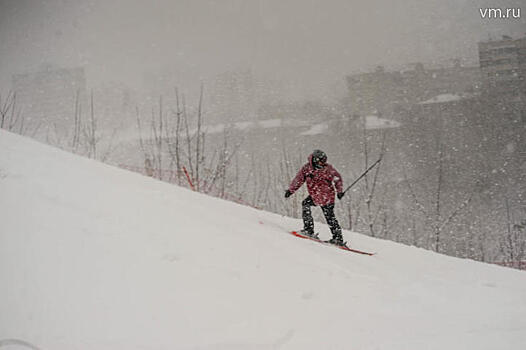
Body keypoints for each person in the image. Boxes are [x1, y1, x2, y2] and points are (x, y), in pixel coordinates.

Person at [285, 149, 345, 245]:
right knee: (305, 204)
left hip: (327, 197)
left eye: (325, 160)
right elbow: (298, 180)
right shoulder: (307, 169)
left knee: (329, 217)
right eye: (322, 161)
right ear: (315, 160)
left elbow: (337, 179)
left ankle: (337, 238)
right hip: (315, 196)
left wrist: (340, 191)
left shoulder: (328, 169)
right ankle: (309, 229)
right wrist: (290, 190)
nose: (323, 163)